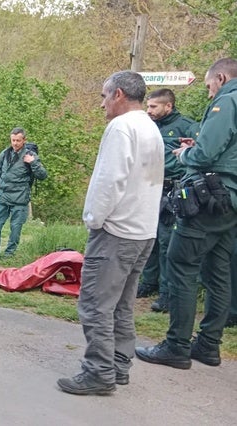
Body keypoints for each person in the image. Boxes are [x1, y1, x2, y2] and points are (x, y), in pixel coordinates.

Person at [56, 71, 164, 396]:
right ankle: (118, 365)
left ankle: (99, 371)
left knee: (95, 303)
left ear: (118, 94)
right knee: (122, 305)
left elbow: (110, 179)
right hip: (143, 229)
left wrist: (93, 218)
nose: (101, 104)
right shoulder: (150, 127)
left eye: (104, 97)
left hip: (117, 230)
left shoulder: (121, 127)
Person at [136, 58, 237, 370]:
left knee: (181, 264)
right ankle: (208, 345)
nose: (209, 93)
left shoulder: (227, 100)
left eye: (209, 86)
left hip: (208, 198)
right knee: (218, 271)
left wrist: (186, 153)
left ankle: (176, 345)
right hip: (230, 201)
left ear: (220, 77)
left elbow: (205, 154)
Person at [136, 89, 199, 313]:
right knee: (148, 239)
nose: (148, 110)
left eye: (153, 107)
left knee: (166, 242)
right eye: (148, 106)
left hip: (173, 190)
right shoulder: (148, 126)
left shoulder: (188, 126)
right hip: (149, 188)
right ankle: (148, 282)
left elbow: (197, 156)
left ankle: (167, 293)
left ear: (168, 106)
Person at [0, 127, 47, 261]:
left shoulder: (30, 155)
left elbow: (42, 175)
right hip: (2, 196)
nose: (15, 143)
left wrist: (33, 163)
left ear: (24, 140)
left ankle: (9, 255)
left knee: (15, 229)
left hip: (20, 199)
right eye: (13, 140)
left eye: (18, 140)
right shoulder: (5, 154)